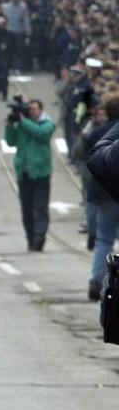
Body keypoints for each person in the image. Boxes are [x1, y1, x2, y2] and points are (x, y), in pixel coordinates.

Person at [79, 97, 119, 300]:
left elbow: (86, 156)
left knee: (104, 238)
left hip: (104, 192)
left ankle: (96, 281)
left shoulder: (96, 132)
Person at [4, 98, 55, 251]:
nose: (31, 112)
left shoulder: (47, 123)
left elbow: (41, 134)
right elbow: (11, 142)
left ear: (40, 110)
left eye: (34, 109)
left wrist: (23, 121)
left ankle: (40, 237)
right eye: (29, 109)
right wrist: (9, 126)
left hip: (41, 173)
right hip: (24, 172)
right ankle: (31, 238)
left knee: (40, 208)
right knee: (26, 209)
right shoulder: (21, 124)